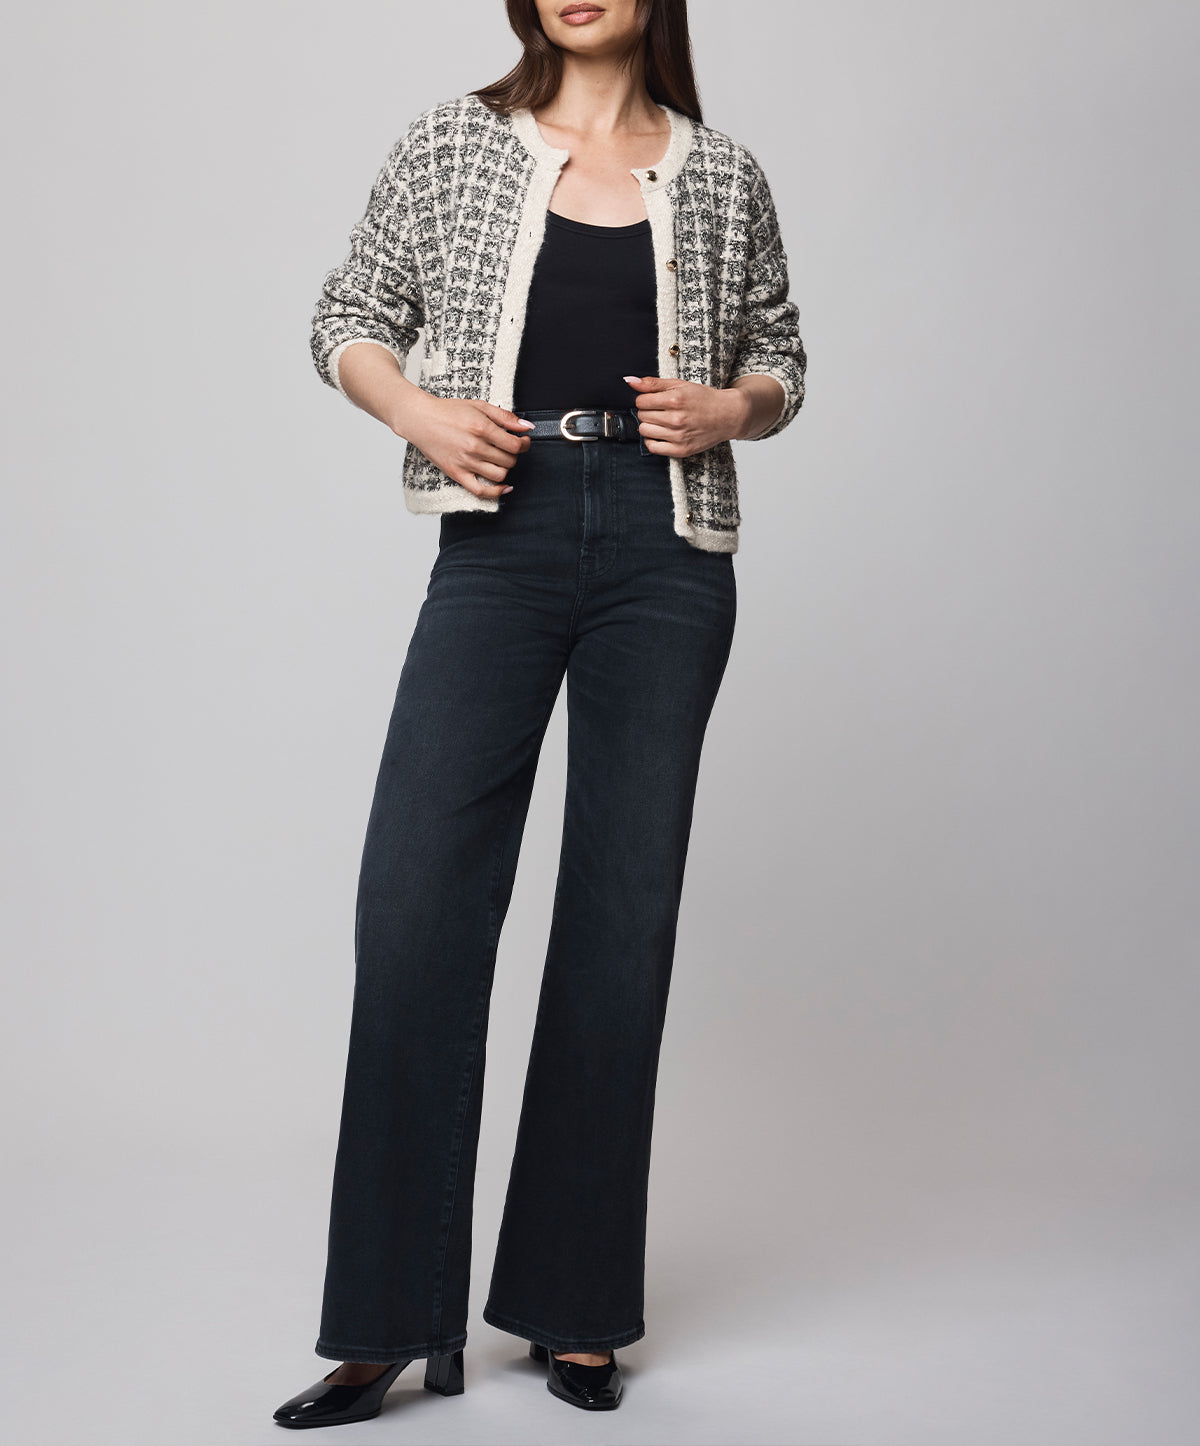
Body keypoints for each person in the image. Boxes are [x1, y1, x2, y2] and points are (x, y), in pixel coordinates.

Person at [272, 0, 805, 1428]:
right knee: (416, 906)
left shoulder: (722, 171)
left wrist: (731, 411)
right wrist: (419, 414)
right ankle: (385, 1319)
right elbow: (346, 316)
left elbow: (783, 358)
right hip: (497, 537)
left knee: (620, 922)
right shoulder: (454, 141)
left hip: (666, 552)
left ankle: (575, 1305)